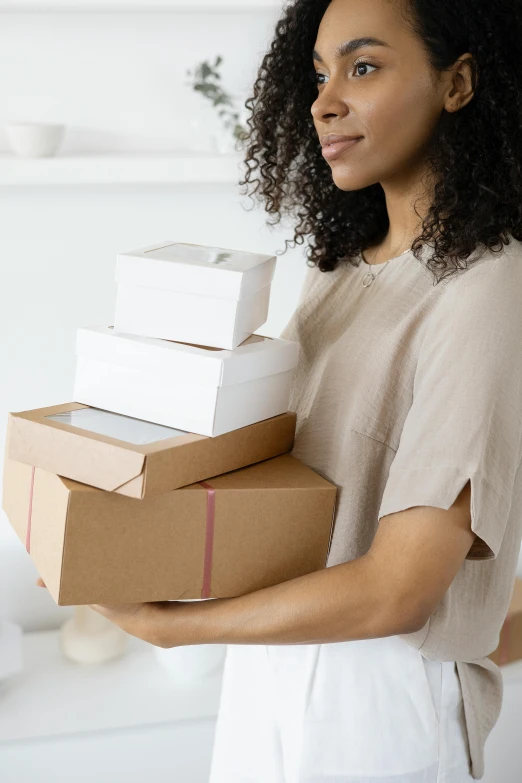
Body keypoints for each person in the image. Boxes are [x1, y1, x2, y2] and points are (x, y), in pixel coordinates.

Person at [60, 1, 522, 781]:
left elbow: (400, 589)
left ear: (459, 83)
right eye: (316, 74)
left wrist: (181, 628)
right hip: (269, 664)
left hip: (379, 693)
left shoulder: (485, 283)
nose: (323, 100)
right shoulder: (341, 269)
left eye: (362, 66)